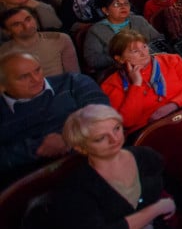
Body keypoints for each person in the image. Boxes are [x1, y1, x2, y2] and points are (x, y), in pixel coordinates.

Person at [51, 104, 181, 229]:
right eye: (100, 138)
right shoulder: (77, 186)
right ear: (81, 148)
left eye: (117, 128)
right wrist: (155, 209)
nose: (114, 139)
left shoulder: (145, 156)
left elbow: (175, 188)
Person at [0, 51, 107, 183]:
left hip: (91, 163)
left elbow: (103, 117)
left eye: (37, 70)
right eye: (23, 77)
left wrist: (66, 139)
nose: (36, 79)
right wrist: (38, 147)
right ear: (2, 85)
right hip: (28, 185)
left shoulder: (74, 82)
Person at [84, 0, 163, 76]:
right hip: (117, 72)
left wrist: (145, 53)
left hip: (150, 64)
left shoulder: (138, 20)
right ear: (105, 10)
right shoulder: (96, 30)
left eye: (126, 3)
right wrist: (124, 57)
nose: (123, 7)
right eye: (117, 4)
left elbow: (158, 40)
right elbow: (93, 60)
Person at [0, 6, 78, 76]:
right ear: (7, 31)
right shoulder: (3, 52)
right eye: (17, 24)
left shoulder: (60, 39)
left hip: (62, 88)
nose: (27, 26)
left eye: (28, 19)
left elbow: (75, 76)